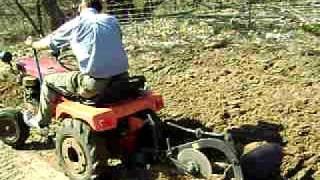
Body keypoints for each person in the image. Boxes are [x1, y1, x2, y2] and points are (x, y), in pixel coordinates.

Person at [24, 0, 129, 128]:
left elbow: (48, 42)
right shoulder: (112, 20)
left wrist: (32, 44)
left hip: (96, 84)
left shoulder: (76, 24)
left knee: (48, 81)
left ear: (83, 5)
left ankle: (40, 121)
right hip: (122, 77)